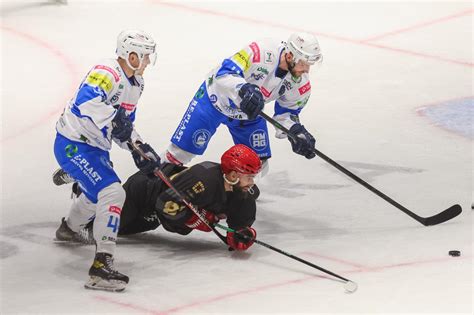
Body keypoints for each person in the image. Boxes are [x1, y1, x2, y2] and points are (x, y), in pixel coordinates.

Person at [53, 30, 161, 292]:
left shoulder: (136, 84)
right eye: (145, 57)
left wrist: (139, 148)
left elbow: (124, 126)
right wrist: (115, 120)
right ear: (131, 55)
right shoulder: (106, 71)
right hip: (73, 144)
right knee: (112, 192)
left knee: (94, 195)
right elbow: (86, 101)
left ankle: (69, 229)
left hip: (95, 148)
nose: (148, 62)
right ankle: (102, 266)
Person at [162, 32, 322, 175]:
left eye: (309, 65)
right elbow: (223, 73)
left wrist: (295, 132)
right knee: (179, 153)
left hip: (249, 113)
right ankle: (153, 184)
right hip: (214, 101)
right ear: (290, 56)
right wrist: (243, 88)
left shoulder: (301, 84)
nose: (306, 69)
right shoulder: (260, 51)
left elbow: (287, 114)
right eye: (303, 63)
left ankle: (231, 186)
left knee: (257, 164)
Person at [118, 144, 260, 252]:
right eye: (249, 177)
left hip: (156, 214)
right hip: (143, 192)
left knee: (130, 228)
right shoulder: (203, 180)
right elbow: (166, 203)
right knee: (106, 228)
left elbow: (239, 225)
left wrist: (240, 234)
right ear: (233, 175)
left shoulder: (244, 191)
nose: (251, 182)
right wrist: (194, 219)